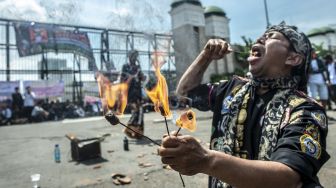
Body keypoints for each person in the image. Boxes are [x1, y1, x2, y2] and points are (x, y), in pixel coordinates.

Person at [158, 22, 329, 188]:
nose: (260, 39)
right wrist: (206, 56)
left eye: (271, 36)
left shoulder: (305, 109)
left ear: (293, 58)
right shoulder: (232, 89)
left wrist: (207, 160)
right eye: (262, 35)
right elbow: (185, 93)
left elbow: (287, 178)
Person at [120, 50, 146, 139]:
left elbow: (141, 78)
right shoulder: (125, 67)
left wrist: (142, 77)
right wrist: (129, 78)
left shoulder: (138, 67)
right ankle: (129, 128)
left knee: (140, 111)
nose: (134, 58)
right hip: (130, 93)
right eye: (133, 56)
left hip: (138, 92)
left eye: (136, 56)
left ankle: (138, 132)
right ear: (129, 57)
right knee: (136, 110)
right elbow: (122, 80)